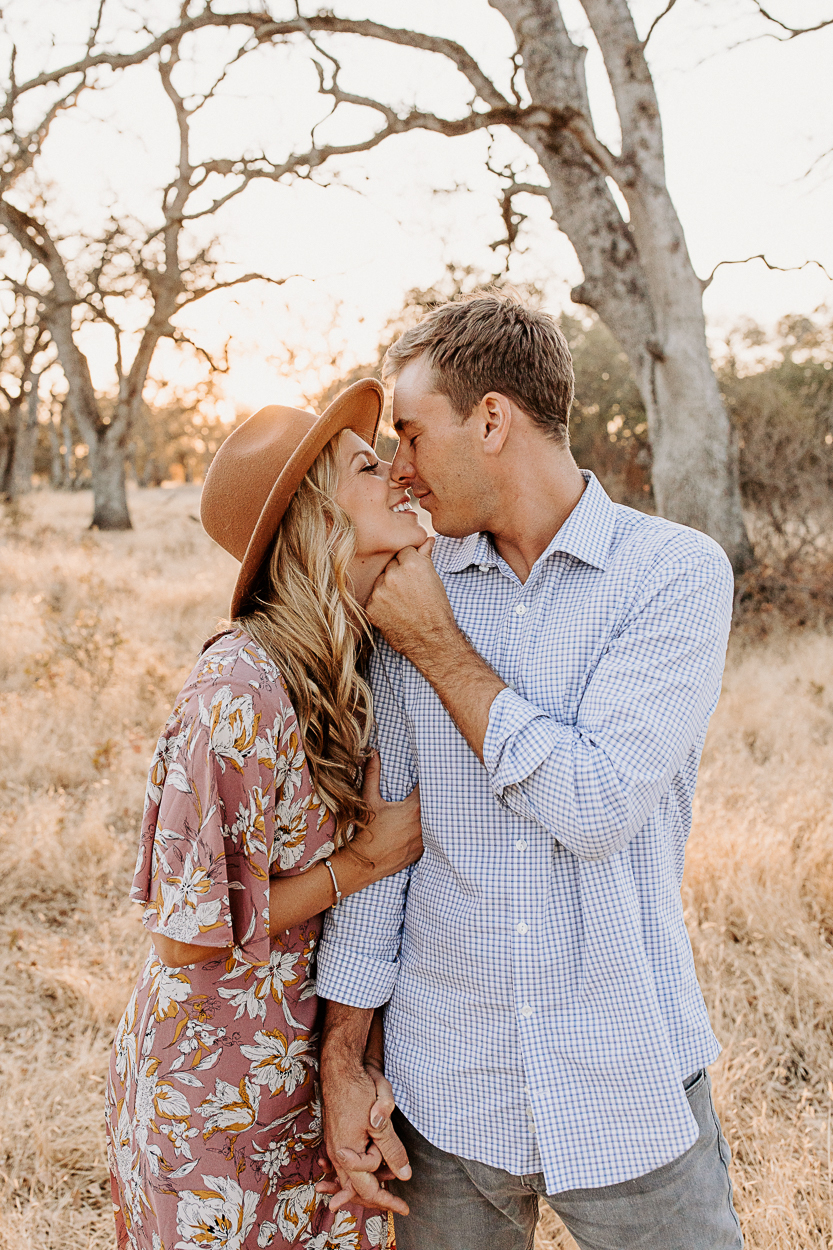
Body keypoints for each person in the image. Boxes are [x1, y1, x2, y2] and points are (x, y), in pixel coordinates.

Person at [315, 295, 744, 1250]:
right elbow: (386, 848)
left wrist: (437, 648)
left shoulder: (672, 575)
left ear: (494, 421)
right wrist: (344, 1057)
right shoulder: (404, 580)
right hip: (447, 1090)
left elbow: (594, 806)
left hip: (625, 1078)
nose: (404, 472)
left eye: (414, 436)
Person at [105, 379, 426, 1250]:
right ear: (316, 518)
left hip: (306, 1077)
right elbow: (184, 932)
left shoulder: (360, 662)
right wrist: (364, 863)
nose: (399, 473)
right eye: (368, 466)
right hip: (215, 1088)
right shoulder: (239, 689)